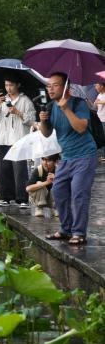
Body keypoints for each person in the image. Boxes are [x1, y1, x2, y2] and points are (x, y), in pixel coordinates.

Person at [40, 72, 96, 246]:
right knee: (58, 191)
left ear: (66, 87)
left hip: (84, 155)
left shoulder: (79, 103)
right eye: (48, 86)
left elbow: (81, 128)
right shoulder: (51, 106)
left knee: (79, 194)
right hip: (65, 157)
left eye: (55, 85)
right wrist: (43, 121)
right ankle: (66, 229)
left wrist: (66, 109)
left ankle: (79, 233)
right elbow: (47, 133)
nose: (50, 89)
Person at [0, 78, 36, 208]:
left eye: (11, 85)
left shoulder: (25, 101)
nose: (8, 88)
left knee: (20, 170)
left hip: (19, 139)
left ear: (18, 84)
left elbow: (32, 120)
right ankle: (6, 197)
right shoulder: (2, 100)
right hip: (4, 139)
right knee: (4, 169)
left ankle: (22, 199)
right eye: (6, 85)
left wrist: (18, 112)